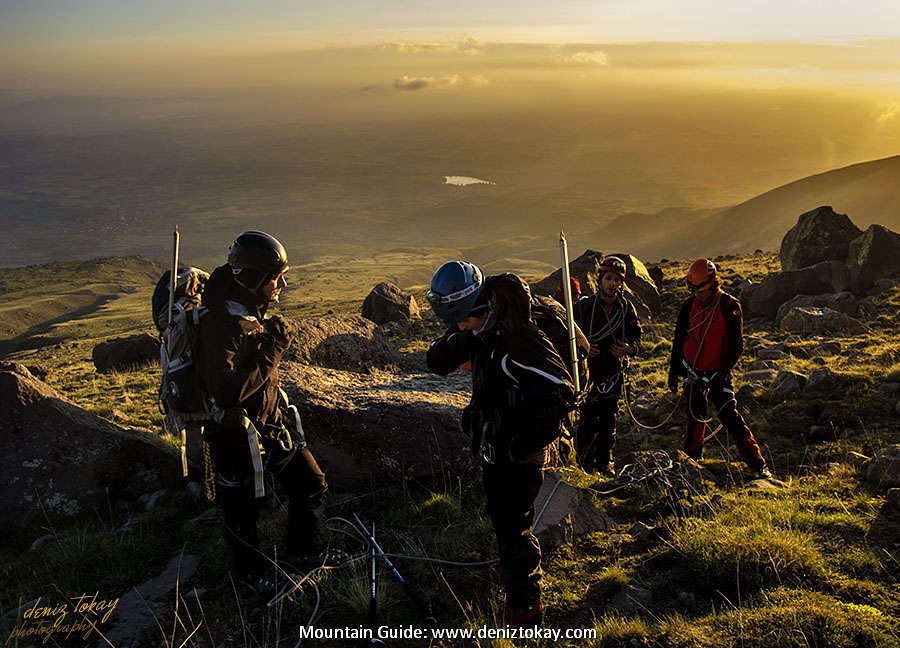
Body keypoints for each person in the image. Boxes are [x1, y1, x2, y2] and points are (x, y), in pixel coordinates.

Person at [425, 261, 575, 626]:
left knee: (515, 527)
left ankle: (525, 607)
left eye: (462, 321)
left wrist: (513, 420)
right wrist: (466, 339)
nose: (458, 328)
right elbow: (438, 359)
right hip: (497, 446)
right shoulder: (482, 330)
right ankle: (511, 567)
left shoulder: (518, 341)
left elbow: (562, 390)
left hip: (520, 452)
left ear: (477, 309)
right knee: (501, 515)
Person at [198, 231, 343, 597]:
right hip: (234, 436)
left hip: (269, 428)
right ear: (254, 279)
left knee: (310, 482)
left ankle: (306, 553)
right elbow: (228, 391)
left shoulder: (245, 311)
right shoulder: (220, 322)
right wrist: (273, 349)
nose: (281, 284)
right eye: (275, 277)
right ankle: (251, 582)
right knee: (241, 514)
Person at [668, 259, 772, 478]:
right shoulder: (689, 306)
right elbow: (679, 338)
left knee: (728, 415)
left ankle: (757, 463)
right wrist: (675, 370)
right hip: (694, 371)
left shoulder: (729, 305)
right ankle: (692, 460)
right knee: (695, 413)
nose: (697, 294)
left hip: (718, 372)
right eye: (693, 289)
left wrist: (722, 372)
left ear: (713, 284)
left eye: (701, 290)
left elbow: (736, 345)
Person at [573, 256, 642, 474]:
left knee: (608, 418)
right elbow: (569, 336)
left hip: (613, 370)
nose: (613, 283)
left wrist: (628, 349)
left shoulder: (626, 308)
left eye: (617, 280)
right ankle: (583, 462)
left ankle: (605, 462)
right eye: (609, 278)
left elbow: (637, 337)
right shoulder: (584, 307)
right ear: (600, 279)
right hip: (589, 370)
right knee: (587, 416)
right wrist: (582, 348)